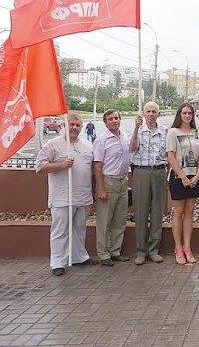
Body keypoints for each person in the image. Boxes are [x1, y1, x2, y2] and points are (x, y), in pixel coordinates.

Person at [36, 114, 97, 276]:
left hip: (83, 196)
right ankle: (57, 262)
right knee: (60, 230)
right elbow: (40, 166)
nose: (75, 128)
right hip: (62, 197)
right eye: (72, 124)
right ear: (65, 125)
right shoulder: (53, 145)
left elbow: (93, 169)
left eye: (78, 125)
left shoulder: (88, 146)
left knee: (79, 229)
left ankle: (79, 257)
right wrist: (61, 165)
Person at [129, 101, 168, 265]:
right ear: (143, 114)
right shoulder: (138, 130)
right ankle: (140, 251)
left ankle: (154, 250)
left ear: (158, 114)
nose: (151, 114)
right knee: (141, 212)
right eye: (148, 111)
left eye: (154, 111)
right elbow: (131, 148)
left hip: (159, 172)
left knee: (157, 212)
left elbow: (169, 153)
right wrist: (136, 128)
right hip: (141, 172)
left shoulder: (165, 131)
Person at [166, 103, 199, 265]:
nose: (187, 116)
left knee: (190, 212)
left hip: (194, 177)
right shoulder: (173, 132)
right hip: (177, 177)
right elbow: (171, 156)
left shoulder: (198, 133)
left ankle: (188, 248)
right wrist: (182, 176)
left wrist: (197, 175)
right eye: (184, 113)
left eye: (190, 113)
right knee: (178, 212)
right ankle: (178, 248)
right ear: (179, 114)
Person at [93, 109, 130, 266]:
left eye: (116, 118)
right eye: (110, 119)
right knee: (104, 220)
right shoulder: (101, 140)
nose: (114, 121)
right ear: (105, 122)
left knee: (120, 219)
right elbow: (97, 166)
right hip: (108, 181)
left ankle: (115, 251)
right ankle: (103, 253)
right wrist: (101, 188)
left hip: (123, 181)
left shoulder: (124, 136)